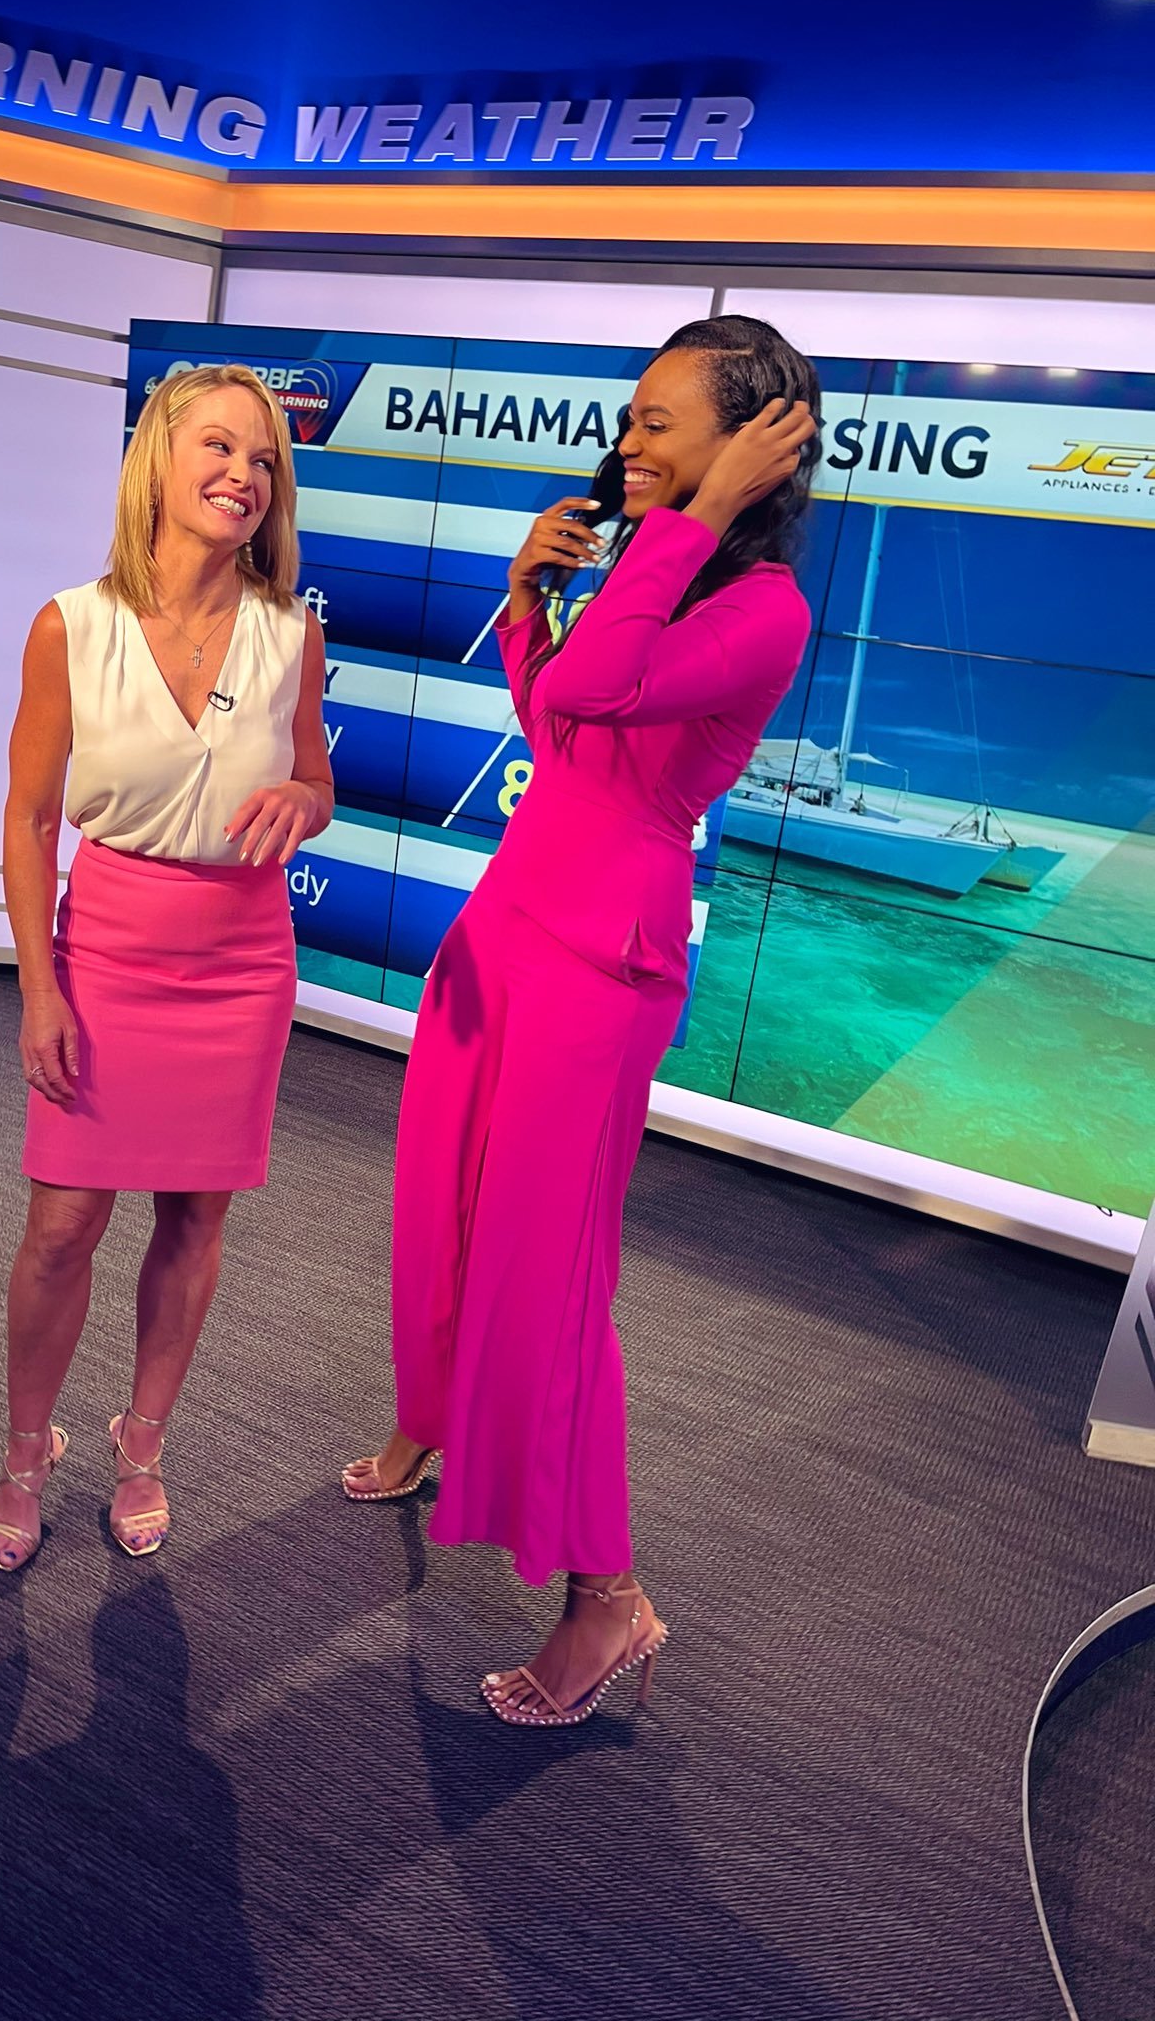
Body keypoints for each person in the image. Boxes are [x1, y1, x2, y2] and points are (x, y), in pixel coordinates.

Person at [343, 315, 820, 1726]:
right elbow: (562, 720)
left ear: (748, 442)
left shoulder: (762, 607)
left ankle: (608, 1599)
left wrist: (695, 521)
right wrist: (527, 604)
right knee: (442, 1209)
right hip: (505, 927)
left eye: (660, 422)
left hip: (599, 966)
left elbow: (608, 693)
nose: (628, 443)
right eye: (632, 418)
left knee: (545, 1276)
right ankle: (433, 1419)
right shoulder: (652, 571)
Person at [0, 364, 333, 1572]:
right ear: (160, 464)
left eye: (265, 458)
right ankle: (26, 1452)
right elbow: (30, 819)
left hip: (242, 962)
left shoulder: (291, 630)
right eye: (220, 447)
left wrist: (305, 799)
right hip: (109, 947)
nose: (245, 473)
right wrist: (39, 985)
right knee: (63, 1222)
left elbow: (316, 781)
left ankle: (143, 1443)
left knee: (195, 1213)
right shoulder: (70, 625)